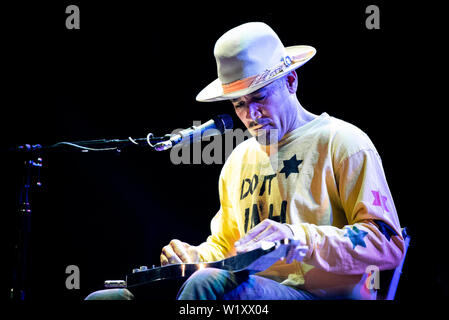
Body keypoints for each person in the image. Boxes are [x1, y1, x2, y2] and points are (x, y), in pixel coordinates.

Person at [86, 22, 404, 300]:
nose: (249, 115)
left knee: (209, 286)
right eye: (239, 103)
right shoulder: (239, 159)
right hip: (252, 295)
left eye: (260, 97)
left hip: (321, 296)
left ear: (291, 82)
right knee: (107, 298)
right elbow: (227, 246)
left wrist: (299, 238)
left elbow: (387, 244)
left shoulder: (342, 142)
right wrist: (194, 256)